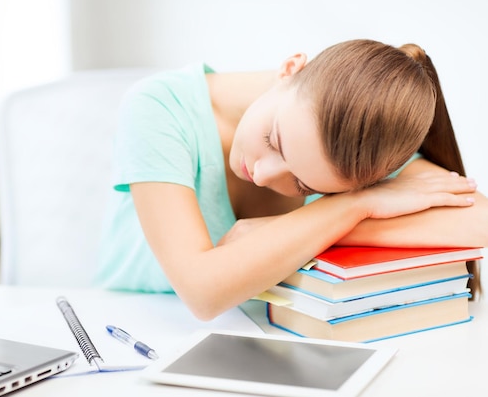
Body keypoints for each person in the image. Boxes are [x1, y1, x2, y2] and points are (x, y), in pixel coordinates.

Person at [95, 39, 488, 320]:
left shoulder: (358, 151)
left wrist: (281, 226)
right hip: (134, 323)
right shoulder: (160, 107)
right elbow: (202, 292)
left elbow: (480, 221)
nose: (264, 174)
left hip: (267, 331)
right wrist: (354, 207)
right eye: (273, 140)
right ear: (289, 69)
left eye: (305, 186)